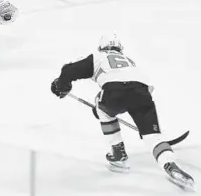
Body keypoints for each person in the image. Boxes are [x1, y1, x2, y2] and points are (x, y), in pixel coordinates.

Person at [50, 34, 194, 190]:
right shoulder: (129, 61)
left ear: (101, 47)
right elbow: (145, 87)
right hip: (142, 94)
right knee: (153, 136)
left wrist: (62, 86)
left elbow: (69, 70)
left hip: (114, 94)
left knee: (102, 108)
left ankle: (119, 155)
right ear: (119, 48)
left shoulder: (98, 56)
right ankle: (169, 164)